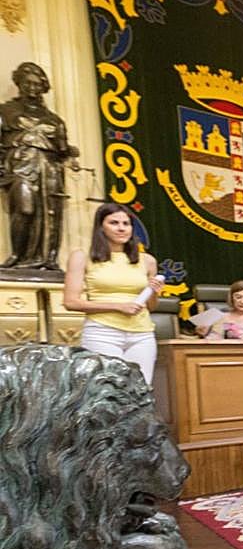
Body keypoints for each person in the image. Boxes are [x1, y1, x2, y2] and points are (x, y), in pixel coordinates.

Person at [63, 202, 164, 385]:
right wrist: (118, 306)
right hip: (102, 332)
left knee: (140, 389)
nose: (121, 228)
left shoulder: (147, 260)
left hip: (142, 334)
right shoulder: (82, 256)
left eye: (126, 224)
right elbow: (71, 302)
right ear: (101, 226)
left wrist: (154, 292)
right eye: (114, 223)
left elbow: (151, 306)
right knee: (107, 391)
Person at [0, 61, 78, 270]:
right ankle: (18, 255)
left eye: (36, 84)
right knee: (24, 209)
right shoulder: (6, 110)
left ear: (43, 87)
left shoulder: (54, 120)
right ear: (19, 83)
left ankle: (48, 259)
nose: (32, 88)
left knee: (52, 214)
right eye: (27, 83)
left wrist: (70, 151)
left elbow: (62, 149)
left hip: (50, 168)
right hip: (20, 164)